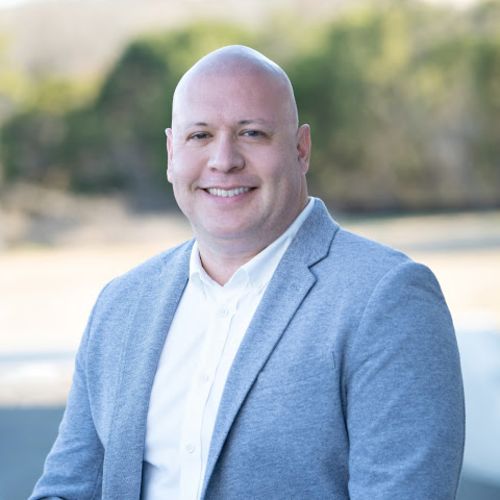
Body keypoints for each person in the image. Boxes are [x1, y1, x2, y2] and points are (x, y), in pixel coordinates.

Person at [31, 45, 465, 500]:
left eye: (252, 133)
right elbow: (67, 488)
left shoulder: (387, 298)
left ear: (301, 150)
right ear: (170, 153)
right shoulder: (121, 303)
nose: (223, 160)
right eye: (199, 136)